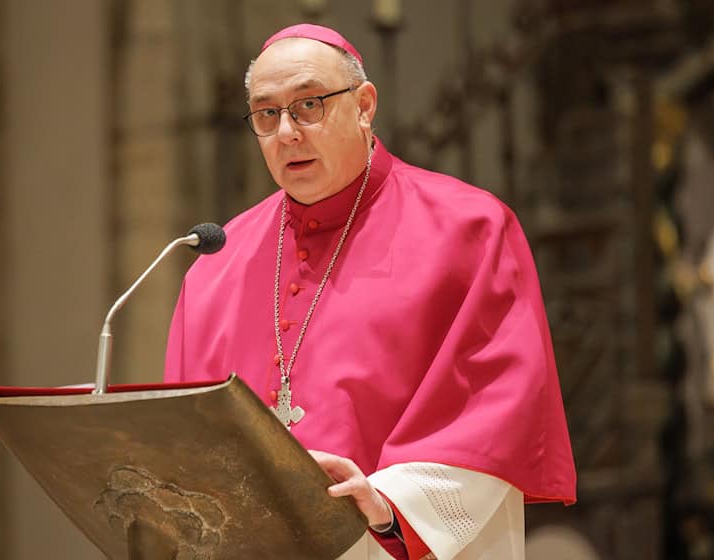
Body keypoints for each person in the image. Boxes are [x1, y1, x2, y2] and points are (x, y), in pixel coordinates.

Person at [164, 23, 576, 559]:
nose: (286, 132)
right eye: (266, 114)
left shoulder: (469, 229)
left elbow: (496, 412)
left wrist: (387, 504)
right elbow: (184, 440)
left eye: (308, 105)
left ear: (363, 105)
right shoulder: (217, 263)